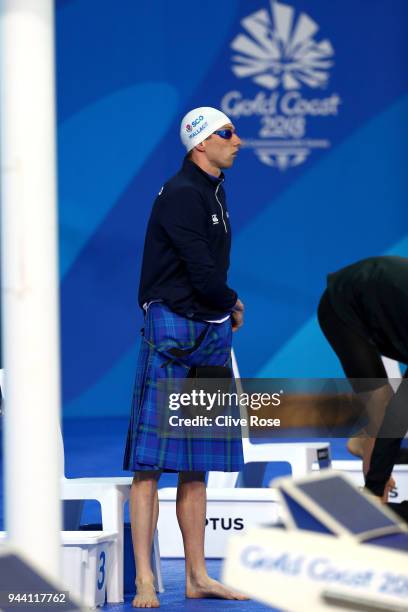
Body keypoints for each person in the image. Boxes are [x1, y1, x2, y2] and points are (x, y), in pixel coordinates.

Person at [123, 107, 247, 608]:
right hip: (174, 325)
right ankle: (146, 581)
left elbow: (208, 270)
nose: (238, 140)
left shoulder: (214, 188)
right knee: (150, 464)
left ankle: (197, 575)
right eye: (227, 133)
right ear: (200, 143)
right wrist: (232, 301)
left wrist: (222, 306)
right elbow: (200, 270)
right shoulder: (180, 194)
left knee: (196, 463)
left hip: (208, 327)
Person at [318, 256, 408, 504]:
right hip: (343, 307)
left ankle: (363, 442)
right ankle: (375, 499)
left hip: (383, 303)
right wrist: (376, 486)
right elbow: (400, 413)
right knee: (383, 407)